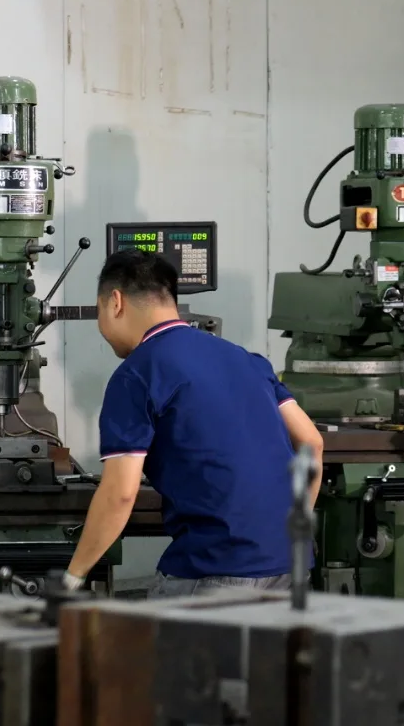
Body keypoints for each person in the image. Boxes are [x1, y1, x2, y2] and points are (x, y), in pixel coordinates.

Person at [63, 249, 324, 596]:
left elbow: (121, 494)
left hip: (217, 570)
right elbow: (312, 443)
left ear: (115, 302)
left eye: (99, 311)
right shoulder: (246, 359)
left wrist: (73, 576)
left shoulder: (138, 373)